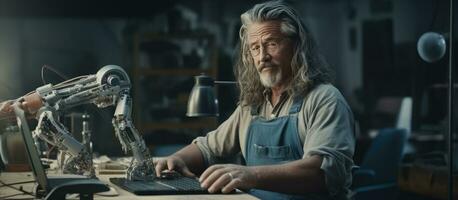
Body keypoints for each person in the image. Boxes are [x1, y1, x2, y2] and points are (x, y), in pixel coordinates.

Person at [154, 1, 355, 199]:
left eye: (271, 44)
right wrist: (177, 159)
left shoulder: (325, 100)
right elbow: (209, 147)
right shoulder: (253, 106)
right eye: (255, 48)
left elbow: (320, 172)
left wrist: (251, 174)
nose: (262, 57)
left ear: (297, 48)